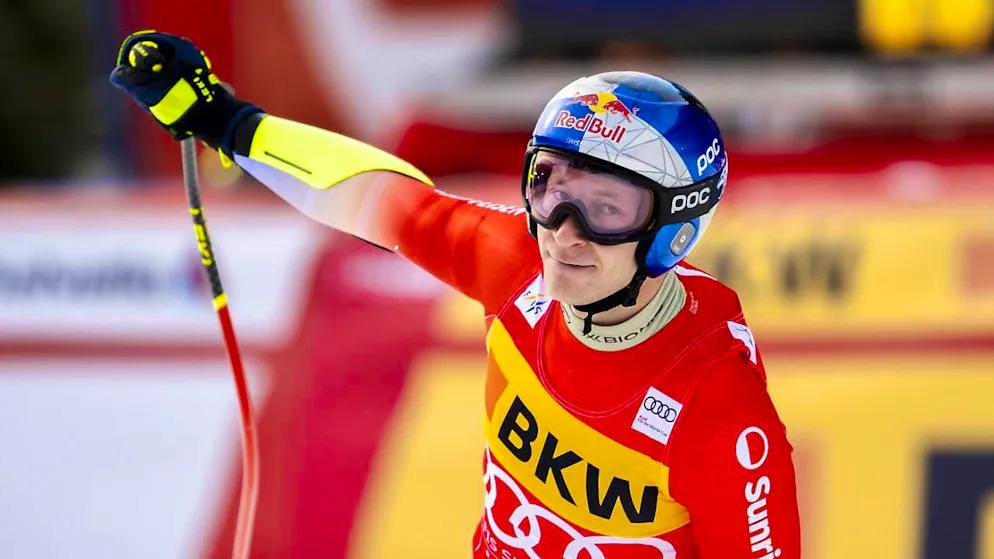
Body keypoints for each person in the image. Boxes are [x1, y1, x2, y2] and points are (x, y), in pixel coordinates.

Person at [111, 31, 801, 559]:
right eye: (550, 186)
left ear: (674, 231)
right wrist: (225, 119)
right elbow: (376, 198)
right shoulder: (516, 265)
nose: (564, 232)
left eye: (605, 207)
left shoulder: (717, 404)